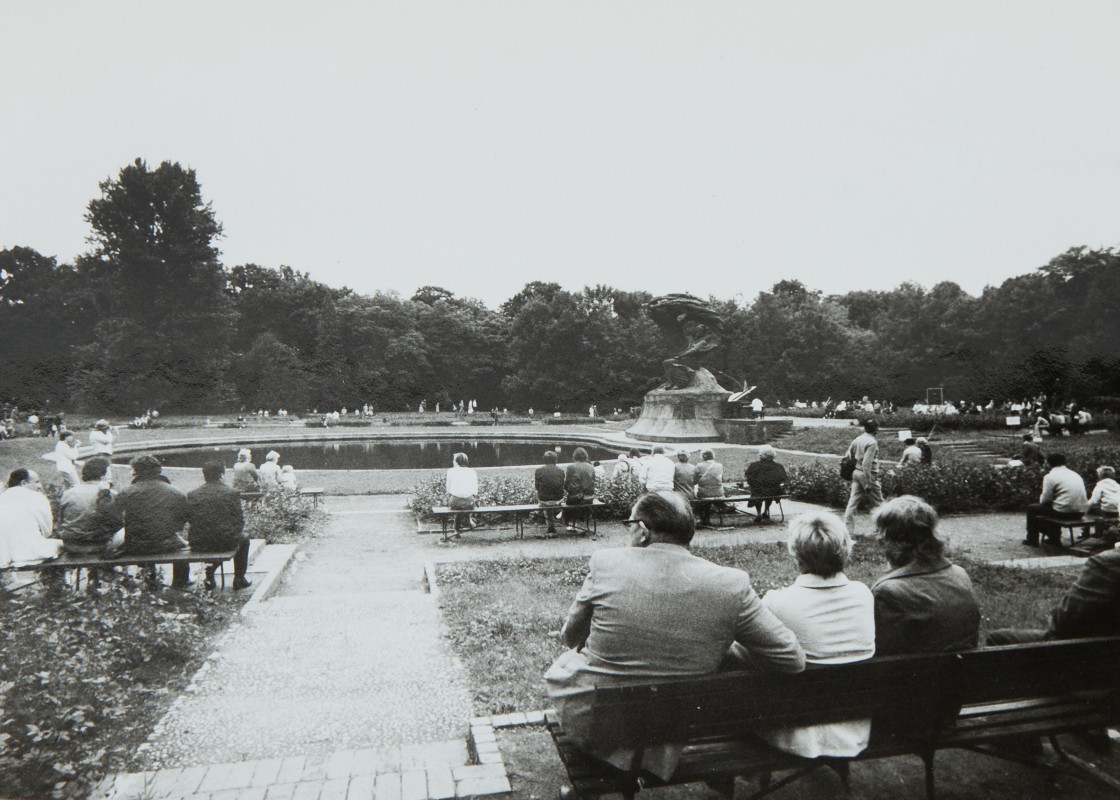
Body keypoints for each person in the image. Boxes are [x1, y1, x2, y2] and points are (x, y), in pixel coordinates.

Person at [546, 491, 805, 780]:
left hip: (601, 726)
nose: (628, 530)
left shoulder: (606, 563)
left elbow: (570, 637)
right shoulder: (731, 583)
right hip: (674, 728)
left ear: (643, 531)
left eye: (629, 524)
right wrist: (724, 650)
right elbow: (791, 658)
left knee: (569, 666)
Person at [759, 511, 874, 758]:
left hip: (795, 730)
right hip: (852, 727)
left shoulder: (777, 602)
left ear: (796, 553)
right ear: (845, 550)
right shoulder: (864, 594)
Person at [871, 496, 980, 655]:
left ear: (892, 540)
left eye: (881, 533)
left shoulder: (888, 592)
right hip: (963, 673)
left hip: (916, 677)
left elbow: (879, 654)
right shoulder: (959, 573)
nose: (878, 539)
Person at [988, 547, 1120, 644]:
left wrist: (1054, 617)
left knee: (997, 638)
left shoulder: (1107, 563)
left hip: (1082, 655)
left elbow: (1063, 625)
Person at [107, 455, 190, 588]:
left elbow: (111, 514)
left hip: (136, 544)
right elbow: (183, 518)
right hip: (166, 543)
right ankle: (180, 582)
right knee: (182, 546)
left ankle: (150, 579)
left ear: (136, 471)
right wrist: (170, 528)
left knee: (143, 533)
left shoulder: (128, 491)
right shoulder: (174, 491)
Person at [187, 461, 252, 591]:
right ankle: (239, 578)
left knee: (215, 538)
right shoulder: (231, 493)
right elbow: (239, 521)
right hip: (225, 541)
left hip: (198, 543)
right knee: (243, 539)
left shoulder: (192, 494)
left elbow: (190, 519)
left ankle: (209, 575)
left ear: (204, 475)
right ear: (222, 474)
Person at [58, 456, 124, 556]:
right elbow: (117, 523)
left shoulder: (68, 493)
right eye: (109, 472)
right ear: (103, 475)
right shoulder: (110, 494)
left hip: (71, 544)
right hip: (100, 545)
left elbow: (61, 520)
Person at [0, 468, 63, 568]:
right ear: (24, 483)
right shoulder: (37, 497)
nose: (40, 486)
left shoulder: (2, 498)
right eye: (37, 482)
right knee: (61, 545)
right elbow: (47, 531)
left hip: (5, 556)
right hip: (31, 553)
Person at [1023, 453, 1089, 548]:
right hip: (1080, 511)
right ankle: (1054, 538)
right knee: (1057, 505)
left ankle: (1032, 540)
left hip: (1063, 512)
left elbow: (1045, 499)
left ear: (1048, 463)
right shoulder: (1075, 474)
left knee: (1032, 508)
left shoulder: (1050, 476)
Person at [842, 419, 883, 535]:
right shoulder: (872, 442)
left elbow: (847, 456)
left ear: (865, 428)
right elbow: (866, 463)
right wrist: (868, 482)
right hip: (868, 474)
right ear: (876, 429)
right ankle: (883, 528)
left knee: (853, 502)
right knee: (879, 503)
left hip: (856, 472)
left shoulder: (857, 439)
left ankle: (847, 530)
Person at [745, 445, 788, 523]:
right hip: (773, 491)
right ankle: (765, 511)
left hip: (758, 491)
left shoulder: (754, 465)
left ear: (762, 455)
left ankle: (758, 513)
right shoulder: (778, 466)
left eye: (760, 454)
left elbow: (748, 477)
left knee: (757, 493)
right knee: (770, 491)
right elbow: (784, 479)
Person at [563, 447, 596, 534]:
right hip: (590, 497)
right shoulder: (591, 467)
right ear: (585, 456)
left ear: (575, 456)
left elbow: (566, 484)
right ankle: (583, 524)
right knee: (580, 502)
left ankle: (571, 524)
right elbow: (593, 482)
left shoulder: (571, 467)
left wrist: (570, 490)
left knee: (569, 501)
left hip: (576, 497)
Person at [534, 450, 565, 536]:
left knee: (543, 499)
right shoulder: (561, 471)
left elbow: (537, 487)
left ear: (544, 460)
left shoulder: (538, 470)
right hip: (558, 499)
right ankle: (556, 514)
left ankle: (547, 522)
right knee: (552, 498)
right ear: (555, 460)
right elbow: (561, 485)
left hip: (544, 499)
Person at [446, 452, 478, 533]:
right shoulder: (472, 471)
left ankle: (456, 528)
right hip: (469, 502)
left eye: (454, 460)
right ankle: (469, 521)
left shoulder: (450, 471)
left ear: (457, 462)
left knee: (457, 503)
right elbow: (475, 491)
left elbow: (448, 490)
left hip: (455, 502)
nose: (452, 462)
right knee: (466, 502)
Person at [693, 449, 724, 527]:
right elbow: (721, 479)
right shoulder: (719, 465)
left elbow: (695, 480)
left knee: (697, 494)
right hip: (718, 492)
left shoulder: (699, 466)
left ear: (703, 456)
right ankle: (706, 518)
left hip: (704, 493)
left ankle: (703, 519)